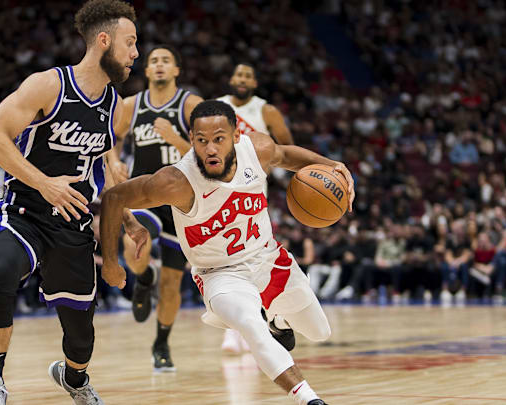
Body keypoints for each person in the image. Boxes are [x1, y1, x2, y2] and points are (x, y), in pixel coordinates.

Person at [100, 100, 356, 405]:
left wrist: (332, 166)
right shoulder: (176, 181)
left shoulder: (256, 150)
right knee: (250, 325)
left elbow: (286, 155)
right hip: (220, 275)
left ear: (235, 136)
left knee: (319, 332)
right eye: (201, 140)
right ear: (191, 139)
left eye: (219, 139)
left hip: (268, 259)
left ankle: (278, 321)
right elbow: (115, 197)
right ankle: (309, 399)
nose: (210, 149)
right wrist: (111, 261)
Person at [0, 1, 147, 404]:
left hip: (72, 224)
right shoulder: (48, 85)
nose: (135, 53)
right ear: (103, 41)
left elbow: (98, 178)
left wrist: (129, 221)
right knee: (2, 272)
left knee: (81, 336)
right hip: (23, 211)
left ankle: (74, 378)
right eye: (130, 43)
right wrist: (45, 183)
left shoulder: (113, 107)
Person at [110, 44, 203, 371]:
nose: (160, 65)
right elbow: (109, 138)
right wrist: (115, 161)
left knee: (173, 284)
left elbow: (212, 153)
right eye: (154, 61)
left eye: (166, 60)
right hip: (145, 194)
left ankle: (161, 341)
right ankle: (144, 276)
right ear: (146, 71)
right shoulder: (131, 106)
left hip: (182, 202)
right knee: (134, 243)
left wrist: (176, 139)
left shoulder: (191, 105)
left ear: (176, 70)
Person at [217, 62, 295, 353]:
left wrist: (271, 163)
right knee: (223, 262)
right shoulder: (218, 106)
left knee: (254, 263)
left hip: (252, 195)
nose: (242, 79)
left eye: (248, 75)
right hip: (219, 192)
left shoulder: (266, 111)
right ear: (231, 78)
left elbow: (285, 146)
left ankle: (256, 325)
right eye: (238, 74)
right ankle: (231, 331)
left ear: (255, 82)